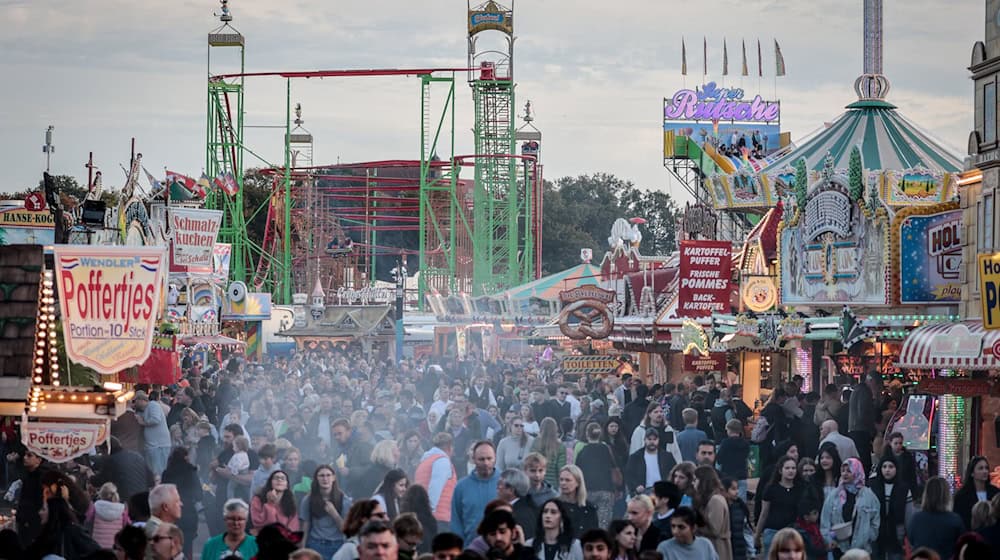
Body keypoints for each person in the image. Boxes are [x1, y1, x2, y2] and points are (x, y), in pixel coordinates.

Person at [820, 458, 880, 554]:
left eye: (849, 471)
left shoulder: (869, 496)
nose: (845, 473)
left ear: (857, 471)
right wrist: (829, 539)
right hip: (840, 549)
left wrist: (869, 536)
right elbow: (825, 520)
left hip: (862, 550)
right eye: (843, 471)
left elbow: (875, 520)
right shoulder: (834, 495)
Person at [754, 455, 804, 558]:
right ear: (780, 470)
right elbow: (764, 513)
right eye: (787, 468)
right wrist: (757, 535)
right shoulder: (771, 489)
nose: (791, 471)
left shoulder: (800, 489)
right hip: (773, 531)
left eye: (793, 468)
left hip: (793, 532)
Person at [451, 440, 500, 543]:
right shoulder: (461, 487)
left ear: (495, 458)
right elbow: (456, 522)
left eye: (489, 458)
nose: (486, 463)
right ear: (473, 459)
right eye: (481, 459)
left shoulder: (506, 483)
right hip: (471, 549)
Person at [300, 464, 352, 559]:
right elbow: (305, 526)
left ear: (334, 478)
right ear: (316, 478)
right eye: (322, 475)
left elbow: (346, 530)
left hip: (337, 546)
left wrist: (334, 514)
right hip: (315, 545)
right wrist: (302, 549)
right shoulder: (308, 500)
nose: (325, 478)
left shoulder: (344, 500)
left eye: (328, 475)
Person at [906, 477, 965, 560]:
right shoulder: (955, 520)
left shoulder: (916, 519)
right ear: (946, 495)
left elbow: (911, 539)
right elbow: (961, 545)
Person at [27, 494, 101, 559]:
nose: (39, 512)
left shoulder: (72, 530)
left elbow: (96, 551)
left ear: (53, 511)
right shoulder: (43, 531)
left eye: (43, 509)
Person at [573, 422, 618, 528]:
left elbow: (577, 473)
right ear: (600, 434)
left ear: (587, 434)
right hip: (606, 490)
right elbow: (613, 467)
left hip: (587, 491)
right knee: (603, 524)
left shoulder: (582, 452)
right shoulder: (606, 449)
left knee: (587, 524)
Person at [161, 447, 203, 558]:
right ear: (186, 457)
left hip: (171, 515)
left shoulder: (166, 473)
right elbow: (199, 495)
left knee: (171, 549)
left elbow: (162, 494)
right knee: (187, 548)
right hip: (188, 514)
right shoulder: (191, 471)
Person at [867, 456, 912, 560]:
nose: (887, 470)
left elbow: (909, 515)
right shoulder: (873, 486)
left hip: (897, 533)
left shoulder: (904, 488)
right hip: (876, 533)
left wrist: (908, 534)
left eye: (891, 467)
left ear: (896, 469)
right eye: (884, 466)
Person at [414, 432, 458, 529]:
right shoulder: (442, 461)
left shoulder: (425, 461)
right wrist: (430, 510)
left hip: (423, 513)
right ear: (449, 447)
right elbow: (435, 487)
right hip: (438, 517)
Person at [624, 428, 677, 499]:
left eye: (655, 439)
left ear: (658, 440)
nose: (652, 442)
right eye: (649, 439)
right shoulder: (635, 457)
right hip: (643, 493)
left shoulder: (667, 456)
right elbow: (629, 475)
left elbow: (674, 472)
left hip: (662, 492)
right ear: (645, 440)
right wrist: (636, 487)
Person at [693, 465, 731, 560]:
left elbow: (715, 530)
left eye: (695, 479)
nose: (693, 483)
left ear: (703, 481)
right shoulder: (709, 499)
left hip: (717, 548)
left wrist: (694, 528)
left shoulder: (715, 500)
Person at [953, 456, 999, 530]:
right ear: (972, 473)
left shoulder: (995, 492)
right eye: (980, 468)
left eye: (986, 468)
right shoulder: (962, 495)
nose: (985, 471)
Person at [134, 390, 173, 477]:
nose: (134, 404)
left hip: (159, 446)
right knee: (153, 471)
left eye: (135, 401)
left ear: (140, 400)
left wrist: (143, 422)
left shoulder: (153, 405)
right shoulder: (142, 411)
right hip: (152, 446)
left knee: (159, 471)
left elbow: (156, 419)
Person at [84, 482, 130, 550]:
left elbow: (87, 518)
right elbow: (127, 525)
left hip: (97, 546)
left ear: (101, 494)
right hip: (115, 547)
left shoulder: (95, 507)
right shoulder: (122, 510)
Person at [557, 465, 599, 536]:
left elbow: (594, 535)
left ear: (578, 482)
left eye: (568, 480)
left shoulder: (589, 509)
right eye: (561, 480)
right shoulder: (554, 505)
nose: (563, 483)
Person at [498, 468, 539, 541]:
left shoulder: (519, 514)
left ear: (511, 490)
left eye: (500, 484)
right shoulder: (528, 505)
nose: (498, 487)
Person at [717, 419, 749, 500]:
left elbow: (719, 458)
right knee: (741, 500)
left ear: (729, 430)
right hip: (741, 473)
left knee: (728, 498)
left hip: (728, 473)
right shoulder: (745, 443)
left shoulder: (725, 442)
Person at [532, 418, 569, 487]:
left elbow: (530, 463)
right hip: (553, 486)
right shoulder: (560, 446)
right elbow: (561, 469)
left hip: (536, 483)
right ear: (555, 429)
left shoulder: (535, 443)